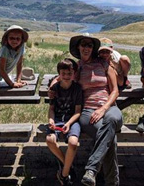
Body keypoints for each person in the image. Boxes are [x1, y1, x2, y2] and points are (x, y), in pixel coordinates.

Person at [69, 33, 123, 186]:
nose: (86, 48)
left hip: (110, 107)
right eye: (83, 45)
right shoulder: (77, 66)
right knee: (109, 137)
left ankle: (91, 169)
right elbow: (64, 81)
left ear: (93, 49)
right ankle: (112, 183)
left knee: (111, 120)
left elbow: (115, 91)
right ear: (78, 47)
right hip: (87, 111)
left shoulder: (104, 64)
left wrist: (104, 108)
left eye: (89, 45)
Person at [46, 58, 82, 186]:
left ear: (74, 74)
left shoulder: (77, 89)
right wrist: (50, 120)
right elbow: (51, 109)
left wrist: (69, 123)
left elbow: (78, 112)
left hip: (71, 120)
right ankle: (68, 166)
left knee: (73, 143)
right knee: (50, 140)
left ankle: (64, 174)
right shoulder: (55, 88)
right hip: (57, 119)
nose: (66, 76)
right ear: (59, 74)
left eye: (69, 74)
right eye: (63, 74)